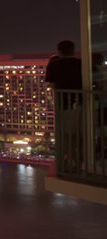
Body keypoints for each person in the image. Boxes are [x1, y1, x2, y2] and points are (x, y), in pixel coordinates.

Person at [46, 40, 82, 171]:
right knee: (78, 134)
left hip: (64, 104)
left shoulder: (54, 65)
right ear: (73, 50)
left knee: (66, 135)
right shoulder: (81, 63)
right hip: (82, 102)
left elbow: (51, 84)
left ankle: (70, 162)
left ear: (59, 51)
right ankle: (78, 160)